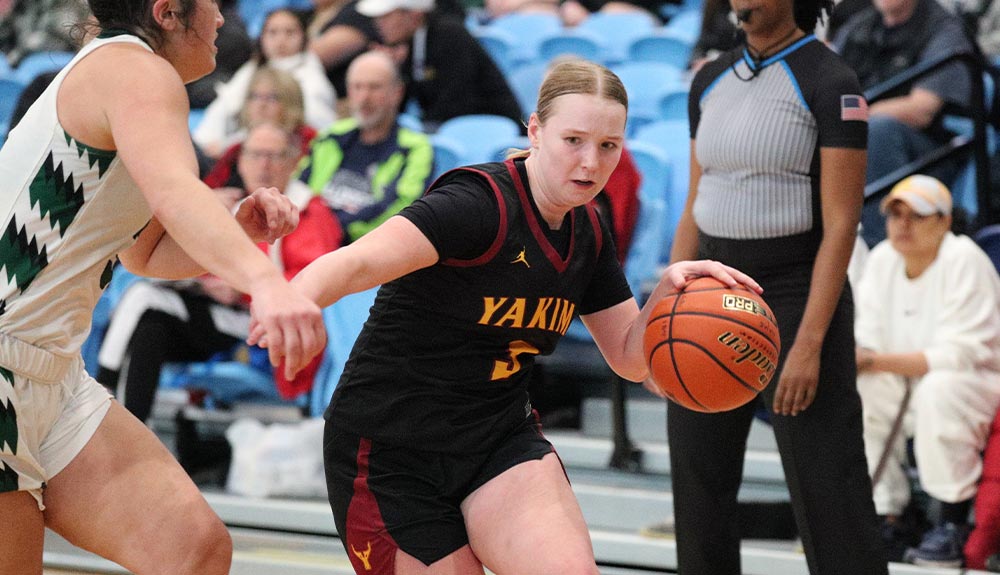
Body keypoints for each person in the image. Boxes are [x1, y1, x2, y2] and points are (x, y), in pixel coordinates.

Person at [249, 59, 758, 575]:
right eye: (574, 140)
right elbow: (356, 261)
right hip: (388, 451)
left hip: (495, 436)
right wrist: (291, 299)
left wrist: (667, 299)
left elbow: (630, 358)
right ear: (535, 131)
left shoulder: (590, 232)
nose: (590, 162)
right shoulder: (477, 204)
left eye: (608, 145)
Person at [0, 2, 327, 573]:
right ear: (168, 12)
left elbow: (145, 253)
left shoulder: (130, 82)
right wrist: (267, 284)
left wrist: (237, 231)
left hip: (51, 374)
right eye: (211, 4)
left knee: (193, 549)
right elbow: (178, 193)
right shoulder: (135, 70)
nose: (223, 18)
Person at [664, 0, 888, 572]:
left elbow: (842, 223)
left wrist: (810, 343)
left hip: (795, 289)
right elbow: (696, 200)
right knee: (698, 480)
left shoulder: (831, 81)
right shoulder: (709, 79)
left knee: (827, 485)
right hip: (710, 288)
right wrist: (666, 305)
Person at [97, 122, 343, 422]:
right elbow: (169, 258)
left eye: (274, 156)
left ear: (294, 162)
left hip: (257, 324)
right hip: (212, 312)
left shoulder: (308, 210)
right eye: (254, 155)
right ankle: (131, 424)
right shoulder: (230, 203)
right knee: (151, 326)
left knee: (144, 298)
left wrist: (243, 289)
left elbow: (316, 282)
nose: (263, 165)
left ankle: (103, 388)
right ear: (239, 160)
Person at [854, 175, 1000, 567]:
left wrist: (872, 361)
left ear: (944, 221)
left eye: (916, 215)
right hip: (904, 375)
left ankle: (951, 522)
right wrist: (871, 362)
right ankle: (887, 514)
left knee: (940, 388)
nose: (903, 224)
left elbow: (960, 354)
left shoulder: (965, 259)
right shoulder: (883, 258)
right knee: (866, 386)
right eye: (895, 214)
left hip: (974, 381)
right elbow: (866, 343)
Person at [831, 0, 974, 247]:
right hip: (856, 141)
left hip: (932, 153)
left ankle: (881, 247)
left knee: (879, 131)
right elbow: (824, 87)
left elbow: (922, 110)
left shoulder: (944, 30)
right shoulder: (858, 27)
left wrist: (860, 114)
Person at [297, 50, 433, 244]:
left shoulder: (415, 148)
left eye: (374, 87)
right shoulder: (330, 136)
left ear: (397, 93)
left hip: (367, 249)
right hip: (312, 240)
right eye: (357, 87)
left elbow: (400, 210)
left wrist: (330, 229)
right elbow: (298, 188)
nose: (364, 97)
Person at [357, 0, 524, 130]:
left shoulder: (449, 36)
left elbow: (456, 102)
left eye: (386, 16)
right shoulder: (415, 45)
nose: (378, 24)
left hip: (490, 133)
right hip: (454, 128)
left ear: (414, 15)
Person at [196, 8, 336, 138]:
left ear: (304, 37)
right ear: (261, 37)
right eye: (272, 32)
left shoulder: (312, 78)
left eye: (290, 32)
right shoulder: (251, 68)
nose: (281, 41)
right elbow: (222, 108)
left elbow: (321, 128)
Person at [201, 66, 318, 187]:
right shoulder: (239, 147)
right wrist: (217, 197)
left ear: (292, 102)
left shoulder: (314, 144)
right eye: (254, 96)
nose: (261, 104)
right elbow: (208, 188)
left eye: (272, 97)